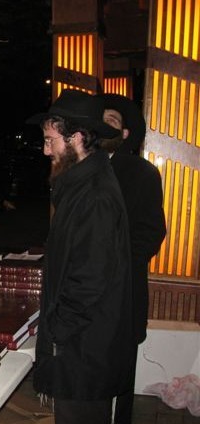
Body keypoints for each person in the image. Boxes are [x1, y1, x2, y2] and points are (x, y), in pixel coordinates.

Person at [26, 89, 134, 424]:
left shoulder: (95, 195)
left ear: (75, 139)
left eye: (50, 141)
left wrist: (56, 331)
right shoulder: (82, 184)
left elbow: (89, 279)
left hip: (84, 347)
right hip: (80, 341)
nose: (45, 150)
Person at [99, 93, 167, 424]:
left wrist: (116, 264)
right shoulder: (79, 167)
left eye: (112, 121)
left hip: (122, 289)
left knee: (120, 372)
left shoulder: (142, 173)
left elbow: (151, 233)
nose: (104, 126)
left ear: (125, 133)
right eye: (100, 121)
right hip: (84, 293)